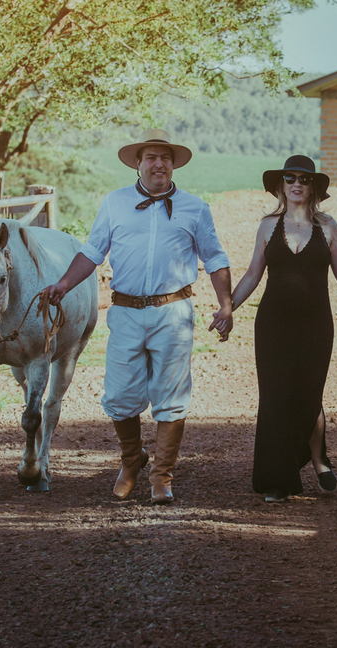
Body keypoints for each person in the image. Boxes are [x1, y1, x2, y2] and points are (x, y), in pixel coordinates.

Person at [46, 128, 233, 504]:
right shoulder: (114, 203)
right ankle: (132, 459)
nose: (158, 164)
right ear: (138, 163)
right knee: (119, 394)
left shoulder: (195, 208)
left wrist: (225, 305)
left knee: (172, 395)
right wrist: (63, 284)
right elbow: (93, 250)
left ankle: (161, 476)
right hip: (126, 311)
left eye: (165, 158)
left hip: (173, 312)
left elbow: (214, 257)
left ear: (174, 164)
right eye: (151, 157)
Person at [229, 155, 337, 503]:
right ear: (281, 185)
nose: (296, 184)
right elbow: (252, 275)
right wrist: (227, 308)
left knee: (308, 397)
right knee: (276, 398)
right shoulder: (267, 226)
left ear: (313, 188)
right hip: (273, 325)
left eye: (304, 179)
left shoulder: (328, 226)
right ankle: (278, 480)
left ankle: (319, 460)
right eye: (290, 178)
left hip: (316, 325)